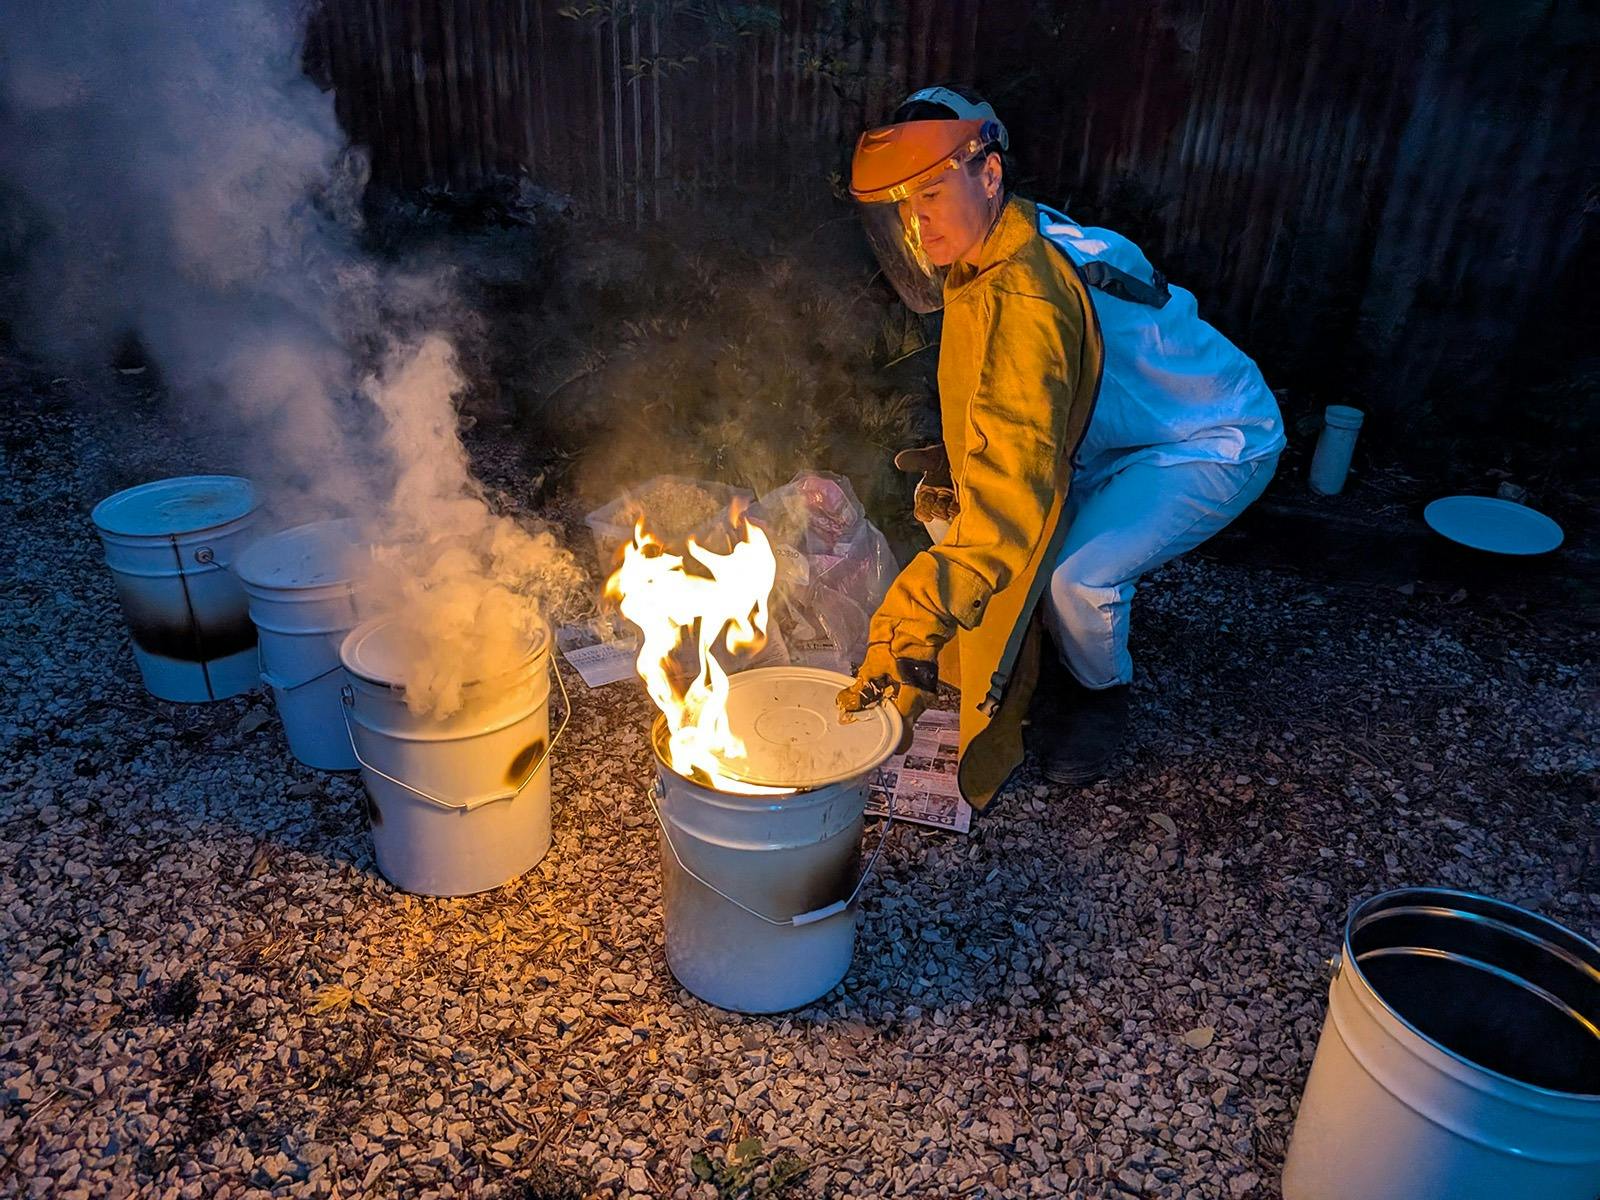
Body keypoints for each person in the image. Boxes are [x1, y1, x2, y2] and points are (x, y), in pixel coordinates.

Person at [837, 86, 1284, 807]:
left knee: (1078, 578)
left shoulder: (1030, 295)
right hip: (1118, 432)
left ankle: (1098, 703)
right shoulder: (999, 241)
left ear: (988, 173)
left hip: (1209, 437)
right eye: (902, 207)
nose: (917, 222)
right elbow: (1005, 406)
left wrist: (906, 631)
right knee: (1005, 543)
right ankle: (1044, 668)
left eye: (930, 191)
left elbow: (1011, 501)